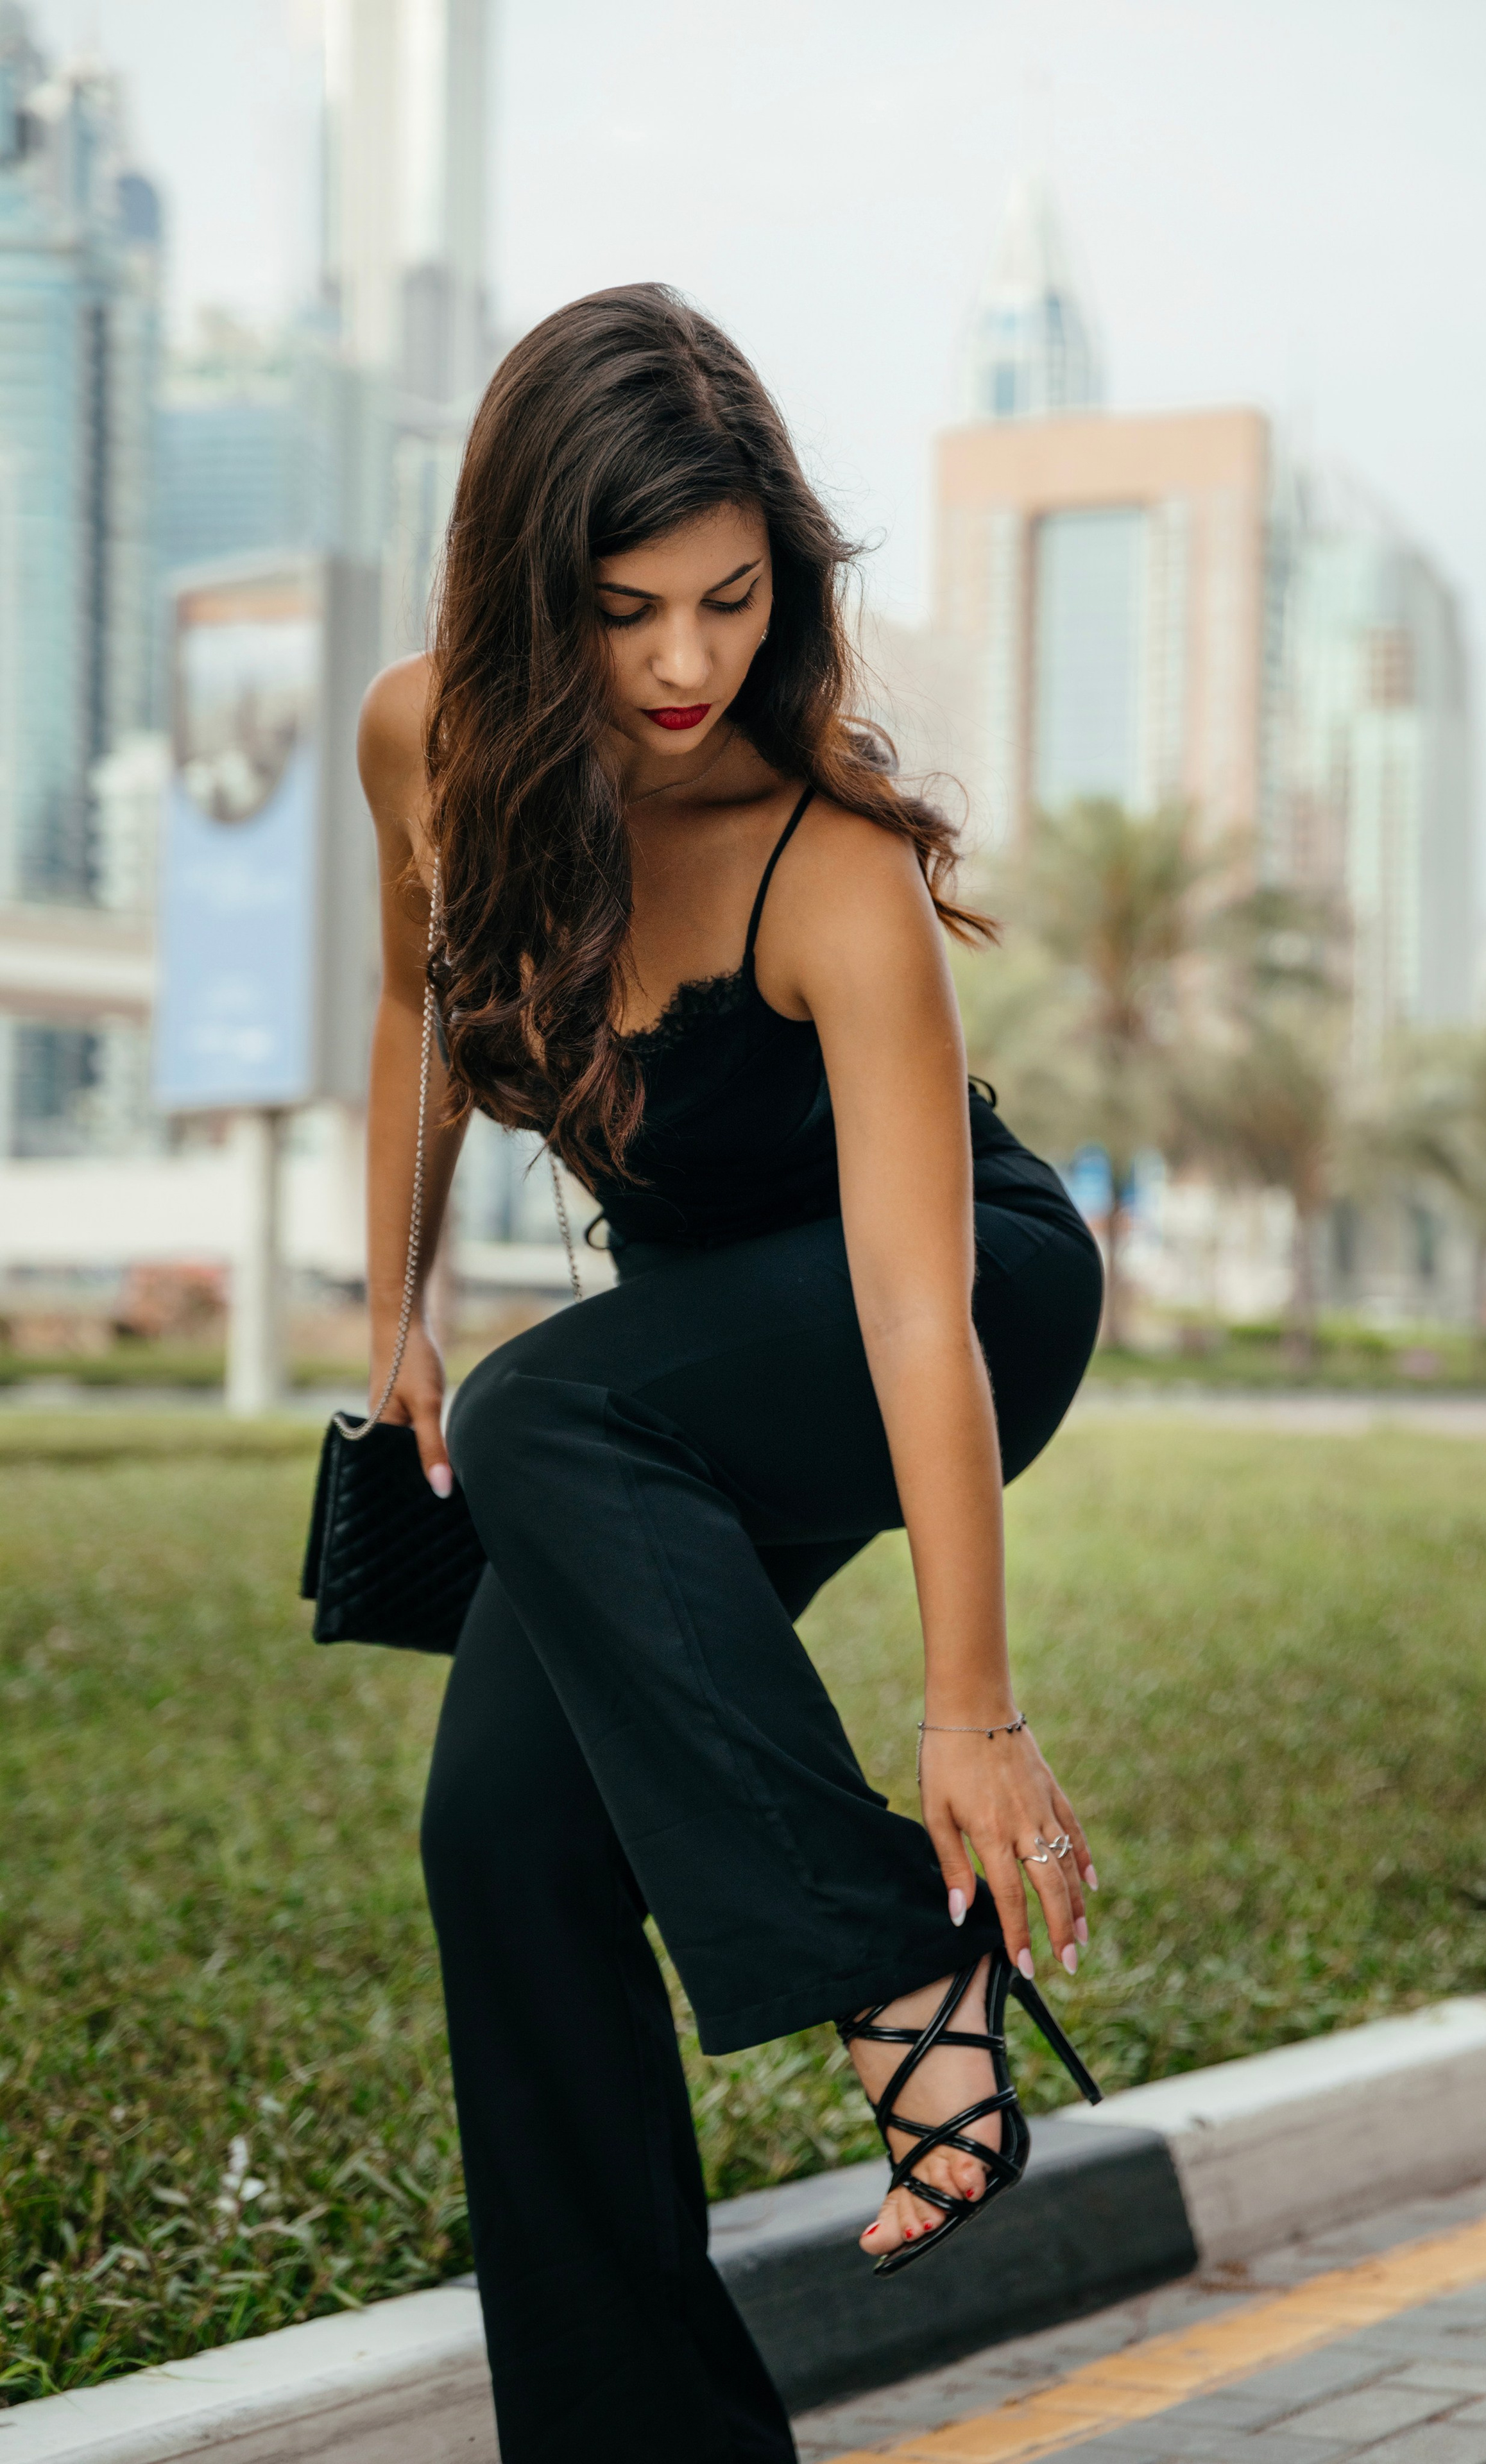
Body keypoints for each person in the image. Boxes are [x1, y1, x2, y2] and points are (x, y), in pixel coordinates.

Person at [355, 282, 1104, 2464]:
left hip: (955, 1302)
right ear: (530, 591)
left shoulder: (827, 866)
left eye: (732, 597)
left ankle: (898, 1966)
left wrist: (970, 1711)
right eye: (626, 611)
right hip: (679, 1374)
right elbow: (415, 1004)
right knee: (505, 1840)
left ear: (787, 579)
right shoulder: (426, 741)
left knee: (546, 1404)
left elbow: (915, 1314)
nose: (687, 661)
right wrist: (394, 1300)